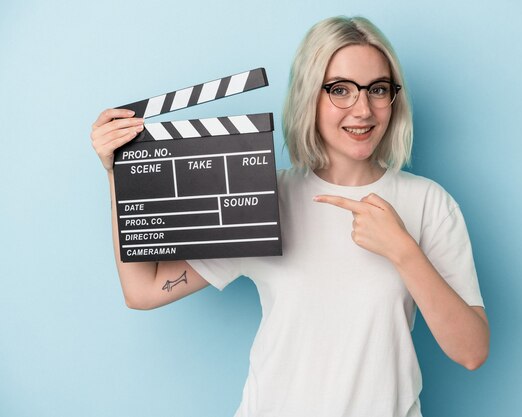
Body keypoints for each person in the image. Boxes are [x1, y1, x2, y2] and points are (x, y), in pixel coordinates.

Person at [91, 15, 489, 417]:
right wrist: (117, 175)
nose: (363, 109)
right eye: (340, 90)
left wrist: (404, 251)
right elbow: (144, 290)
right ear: (308, 97)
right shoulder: (262, 196)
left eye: (378, 90)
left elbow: (472, 351)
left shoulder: (429, 203)